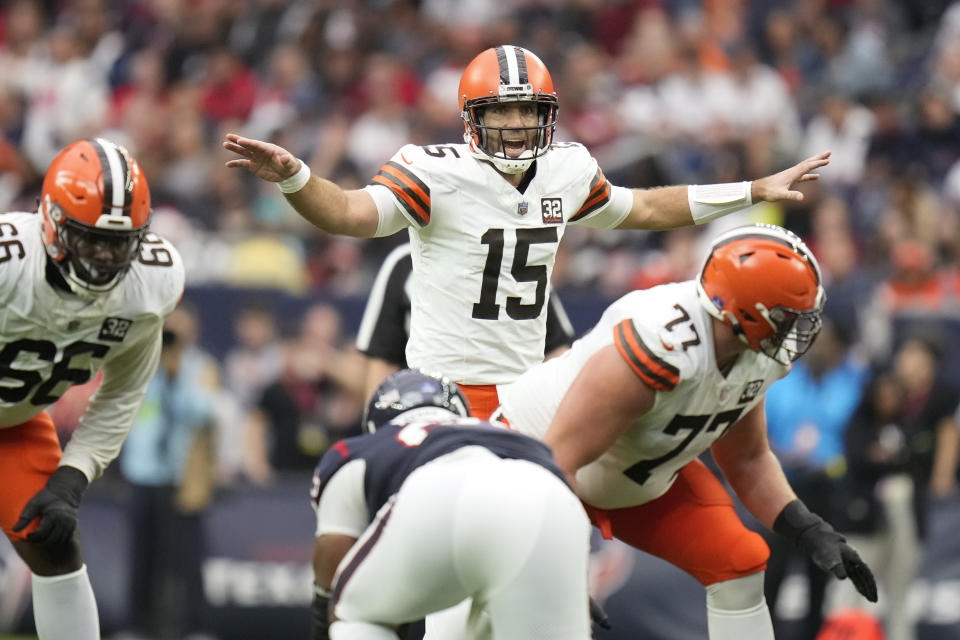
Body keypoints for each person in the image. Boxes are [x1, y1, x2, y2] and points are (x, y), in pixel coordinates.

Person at [224, 44, 831, 418]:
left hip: (525, 394)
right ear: (471, 118)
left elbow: (644, 208)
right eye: (501, 111)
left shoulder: (566, 170)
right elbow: (351, 214)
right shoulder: (434, 171)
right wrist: (298, 178)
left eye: (528, 111)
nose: (516, 124)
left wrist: (750, 190)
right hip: (440, 392)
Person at [492, 224, 877, 640]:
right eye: (786, 316)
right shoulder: (657, 347)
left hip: (636, 469)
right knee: (512, 615)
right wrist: (558, 568)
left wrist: (808, 529)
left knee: (741, 562)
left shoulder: (755, 350)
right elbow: (558, 461)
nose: (798, 331)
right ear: (746, 312)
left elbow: (747, 459)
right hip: (534, 468)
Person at [0, 138, 184, 640]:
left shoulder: (149, 286)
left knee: (52, 541)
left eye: (119, 242)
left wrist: (72, 479)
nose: (105, 256)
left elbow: (122, 395)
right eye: (90, 239)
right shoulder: (9, 262)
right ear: (53, 223)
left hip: (12, 421)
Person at [309, 369, 593, 640]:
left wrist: (327, 616)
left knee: (353, 615)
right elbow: (561, 488)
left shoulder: (357, 451)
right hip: (551, 503)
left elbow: (333, 551)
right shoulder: (507, 433)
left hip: (439, 490)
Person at [355, 241, 575, 400]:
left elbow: (556, 353)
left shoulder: (521, 258)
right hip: (430, 406)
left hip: (512, 406)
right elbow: (383, 364)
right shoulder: (406, 262)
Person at [117, 305, 217, 640]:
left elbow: (204, 412)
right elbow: (130, 414)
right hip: (145, 473)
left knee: (188, 559)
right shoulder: (142, 365)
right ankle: (137, 626)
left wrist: (178, 375)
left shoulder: (201, 367)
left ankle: (194, 628)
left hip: (184, 479)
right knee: (142, 556)